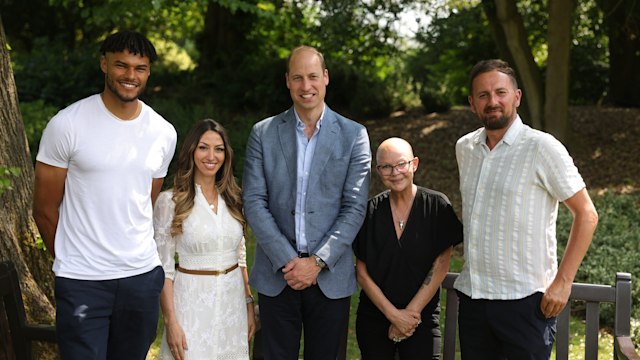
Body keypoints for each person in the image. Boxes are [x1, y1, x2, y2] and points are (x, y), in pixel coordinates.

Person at [32, 30, 177, 359]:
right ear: (103, 64)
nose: (130, 75)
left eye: (140, 68)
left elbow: (145, 200)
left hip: (140, 278)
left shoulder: (163, 132)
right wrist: (72, 257)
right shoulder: (67, 125)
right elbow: (43, 209)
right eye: (121, 66)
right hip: (83, 280)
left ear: (149, 72)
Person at [454, 59, 599, 359]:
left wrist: (562, 282)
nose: (492, 101)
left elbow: (587, 214)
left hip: (525, 304)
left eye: (500, 92)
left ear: (517, 97)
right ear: (472, 103)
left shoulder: (543, 147)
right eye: (483, 95)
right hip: (474, 300)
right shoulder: (465, 148)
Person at [242, 45, 372, 360]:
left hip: (329, 278)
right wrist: (290, 262)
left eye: (313, 76)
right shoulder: (264, 133)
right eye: (298, 78)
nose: (306, 86)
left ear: (325, 78)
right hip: (278, 275)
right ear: (287, 80)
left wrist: (315, 264)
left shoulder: (354, 135)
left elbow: (354, 207)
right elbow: (254, 202)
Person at [153, 119, 256, 360]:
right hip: (191, 305)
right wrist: (171, 323)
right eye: (203, 147)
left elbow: (240, 256)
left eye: (218, 149)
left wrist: (248, 302)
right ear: (191, 150)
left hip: (233, 306)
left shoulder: (234, 199)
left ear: (226, 155)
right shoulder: (170, 202)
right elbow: (164, 269)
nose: (211, 156)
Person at [353, 137, 463, 360]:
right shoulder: (369, 212)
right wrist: (393, 315)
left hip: (420, 319)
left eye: (401, 164)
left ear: (414, 164)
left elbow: (441, 264)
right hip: (375, 318)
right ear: (378, 170)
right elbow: (361, 272)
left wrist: (408, 316)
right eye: (386, 166)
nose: (395, 172)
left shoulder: (437, 206)